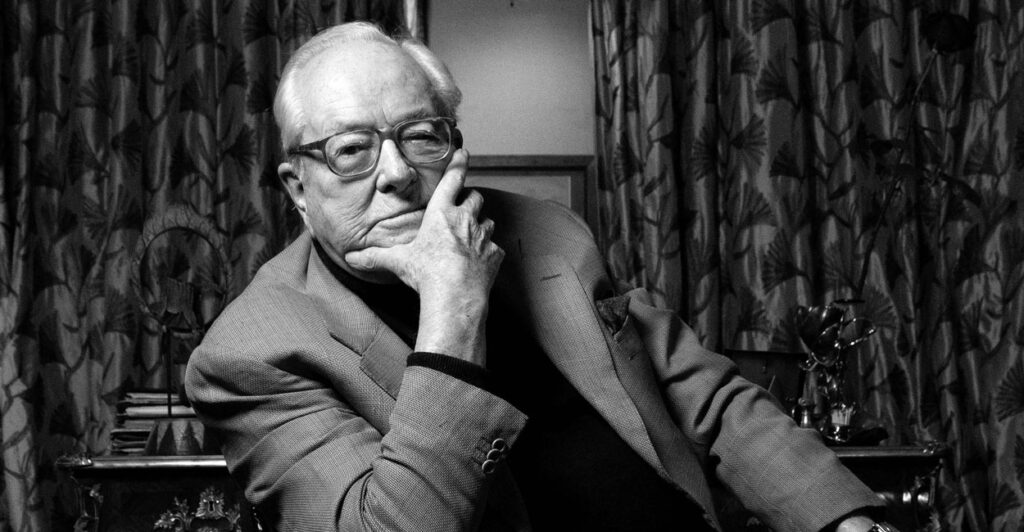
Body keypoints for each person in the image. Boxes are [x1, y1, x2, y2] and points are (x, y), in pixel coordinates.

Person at [184, 21, 893, 532]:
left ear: (455, 147)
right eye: (350, 150)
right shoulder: (251, 351)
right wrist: (452, 304)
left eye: (420, 135)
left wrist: (848, 520)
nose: (397, 174)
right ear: (298, 188)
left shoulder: (549, 233)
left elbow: (700, 394)